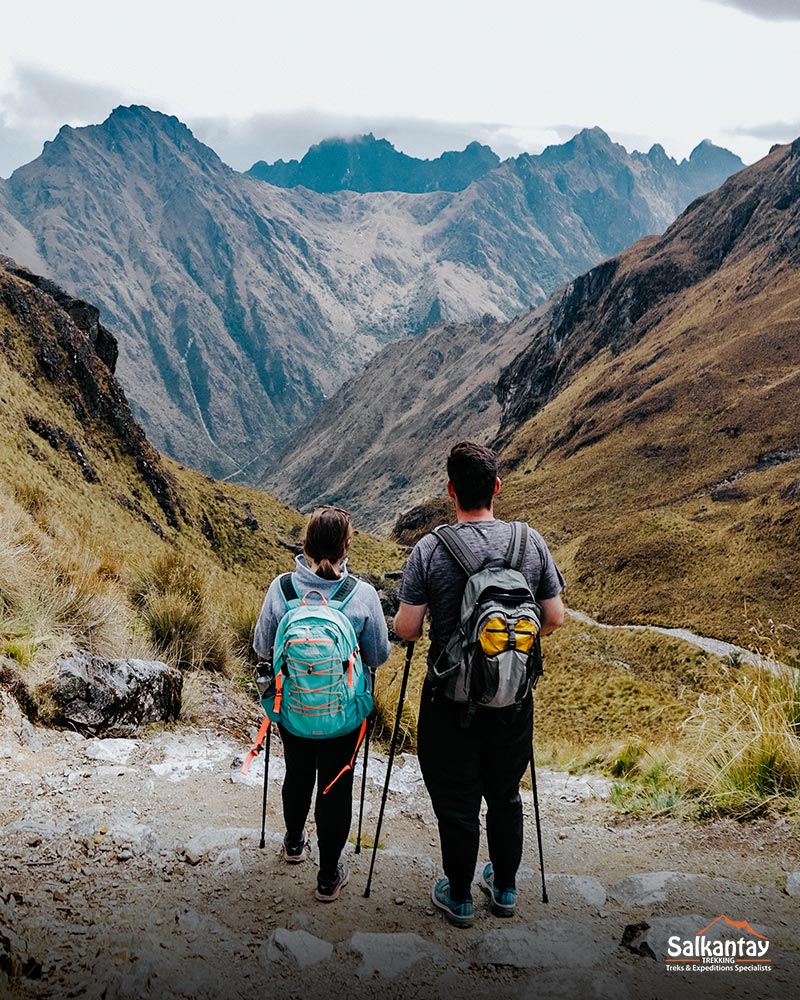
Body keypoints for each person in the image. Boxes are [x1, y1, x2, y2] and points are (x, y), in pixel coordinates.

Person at [394, 441, 565, 927]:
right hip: (514, 698)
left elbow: (407, 628)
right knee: (506, 792)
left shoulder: (431, 548)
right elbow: (554, 617)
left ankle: (460, 896)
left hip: (449, 699)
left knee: (457, 799)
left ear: (450, 491)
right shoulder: (529, 543)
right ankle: (506, 888)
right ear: (496, 488)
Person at [254, 505, 391, 902]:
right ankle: (329, 876)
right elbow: (378, 655)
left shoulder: (281, 589)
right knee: (336, 784)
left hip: (293, 711)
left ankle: (294, 844)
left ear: (305, 545)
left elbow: (263, 646)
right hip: (343, 716)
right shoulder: (362, 595)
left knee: (298, 774)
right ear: (347, 547)